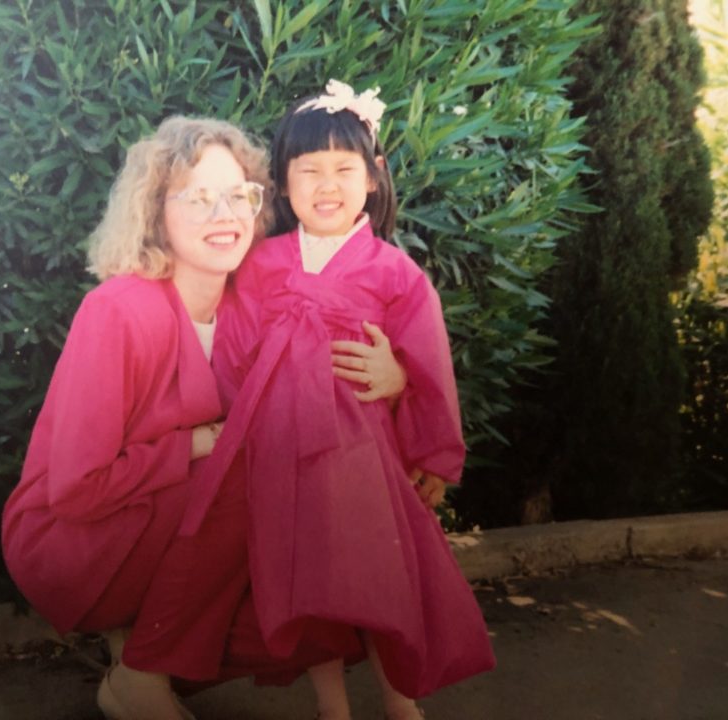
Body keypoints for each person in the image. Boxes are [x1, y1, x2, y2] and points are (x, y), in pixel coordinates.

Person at [1, 115, 407, 720]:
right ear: (154, 212)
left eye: (239, 195)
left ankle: (144, 653)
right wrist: (193, 443)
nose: (226, 213)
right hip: (73, 542)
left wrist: (396, 382)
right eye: (198, 197)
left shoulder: (255, 301)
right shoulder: (118, 311)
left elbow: (326, 404)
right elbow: (76, 489)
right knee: (257, 475)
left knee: (302, 495)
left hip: (162, 527)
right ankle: (142, 672)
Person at [180, 81, 496, 720]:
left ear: (374, 179)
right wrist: (224, 429)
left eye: (343, 169)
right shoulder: (261, 266)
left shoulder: (394, 273)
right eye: (309, 170)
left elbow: (427, 360)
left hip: (362, 459)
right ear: (284, 184)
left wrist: (404, 388)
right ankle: (332, 706)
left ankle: (399, 702)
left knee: (378, 577)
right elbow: (234, 353)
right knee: (308, 588)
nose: (327, 185)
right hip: (281, 456)